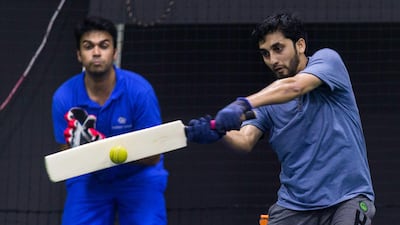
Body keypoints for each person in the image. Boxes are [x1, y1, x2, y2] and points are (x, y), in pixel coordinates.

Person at [185, 13, 375, 225]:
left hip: (347, 199)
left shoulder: (329, 61)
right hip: (293, 207)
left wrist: (242, 104)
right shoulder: (267, 102)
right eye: (265, 53)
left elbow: (295, 86)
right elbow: (245, 139)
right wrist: (219, 132)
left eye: (278, 49)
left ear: (300, 45)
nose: (273, 60)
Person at [51, 16, 168, 225]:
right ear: (79, 54)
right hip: (90, 179)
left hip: (138, 177)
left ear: (114, 52)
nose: (96, 52)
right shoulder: (64, 97)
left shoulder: (140, 92)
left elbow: (152, 155)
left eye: (103, 46)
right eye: (88, 46)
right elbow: (66, 156)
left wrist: (110, 152)